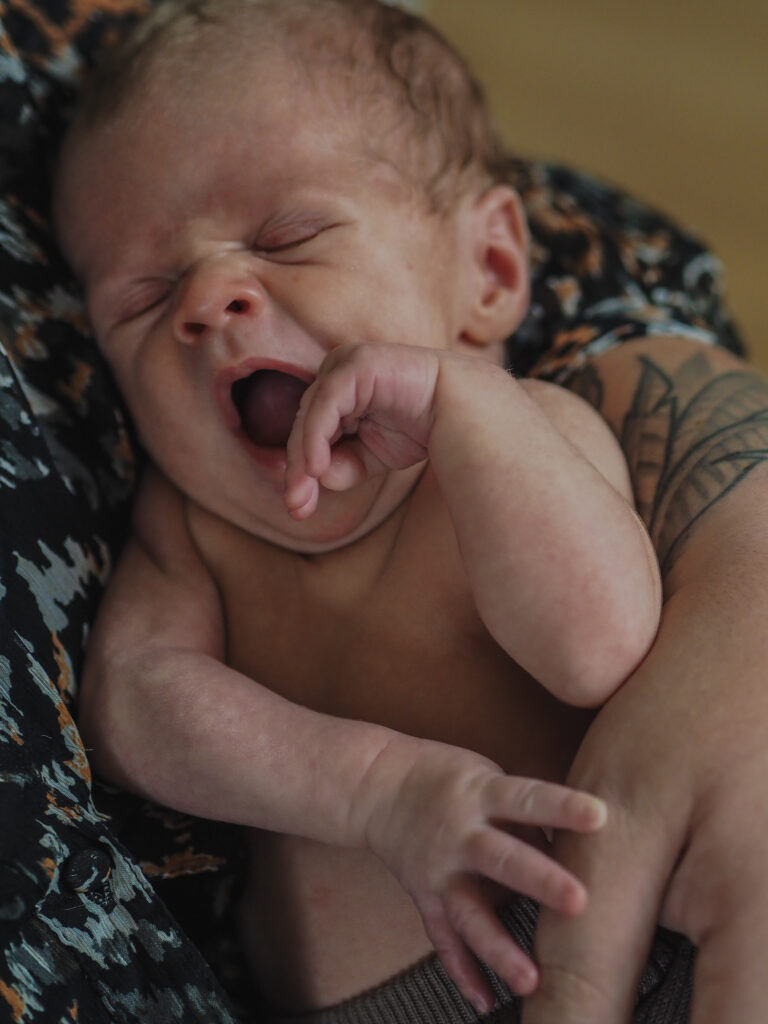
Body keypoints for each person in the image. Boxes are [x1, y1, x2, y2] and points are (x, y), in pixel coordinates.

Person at [51, 0, 669, 1020]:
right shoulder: (193, 530)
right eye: (146, 299)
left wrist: (460, 405)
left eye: (288, 236)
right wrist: (373, 790)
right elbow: (132, 706)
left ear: (492, 272)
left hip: (618, 942)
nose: (209, 301)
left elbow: (597, 644)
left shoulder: (519, 432)